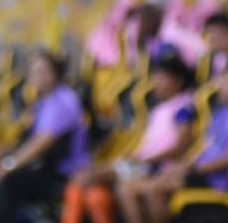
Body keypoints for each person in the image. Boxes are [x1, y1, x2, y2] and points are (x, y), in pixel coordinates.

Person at [61, 52, 195, 223]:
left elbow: (181, 145)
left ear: (178, 81)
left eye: (163, 78)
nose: (157, 83)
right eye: (156, 77)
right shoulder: (159, 109)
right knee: (92, 189)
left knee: (84, 177)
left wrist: (148, 159)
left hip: (153, 165)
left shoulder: (183, 108)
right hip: (143, 162)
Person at [0, 50, 90, 223]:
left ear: (53, 74)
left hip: (63, 173)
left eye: (41, 71)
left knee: (8, 182)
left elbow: (41, 143)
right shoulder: (41, 102)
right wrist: (1, 152)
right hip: (41, 167)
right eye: (33, 72)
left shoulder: (64, 101)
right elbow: (28, 141)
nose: (36, 76)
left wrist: (8, 165)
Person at [135, 60, 228, 223]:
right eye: (223, 79)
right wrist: (186, 165)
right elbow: (205, 145)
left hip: (215, 180)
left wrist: (194, 169)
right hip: (199, 171)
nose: (222, 85)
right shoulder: (222, 112)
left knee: (153, 190)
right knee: (137, 189)